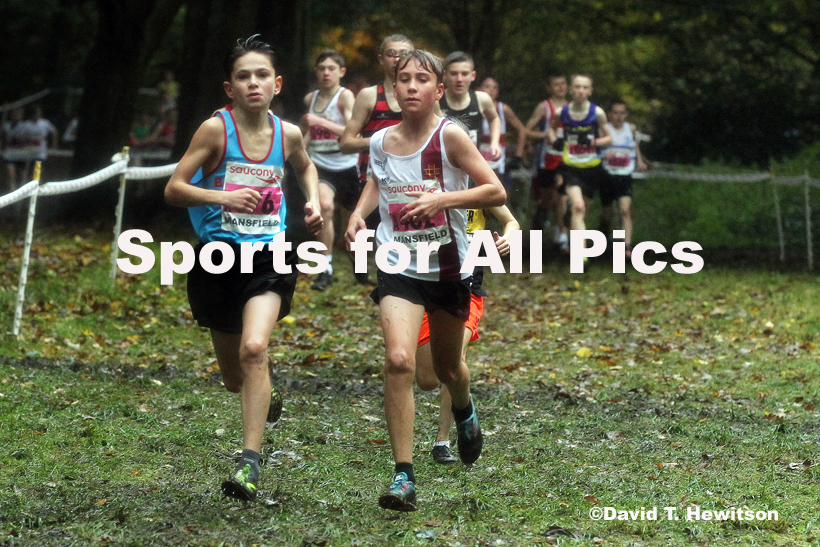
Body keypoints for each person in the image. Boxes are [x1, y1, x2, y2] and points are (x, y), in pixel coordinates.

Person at [345, 50, 506, 512]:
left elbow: (495, 191)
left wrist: (444, 200)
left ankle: (465, 410)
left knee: (446, 370)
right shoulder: (379, 142)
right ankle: (403, 476)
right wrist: (358, 214)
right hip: (398, 265)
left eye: (421, 79)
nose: (411, 86)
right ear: (393, 90)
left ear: (438, 91)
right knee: (398, 361)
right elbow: (379, 181)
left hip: (450, 268)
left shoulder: (450, 136)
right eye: (403, 79)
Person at [164, 35, 322, 502]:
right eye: (242, 76)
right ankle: (263, 393)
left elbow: (306, 166)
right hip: (217, 258)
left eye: (260, 76)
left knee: (255, 348)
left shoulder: (287, 133)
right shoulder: (215, 131)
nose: (252, 83)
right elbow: (174, 188)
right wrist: (223, 197)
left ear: (276, 84)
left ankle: (249, 464)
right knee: (236, 375)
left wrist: (312, 200)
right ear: (229, 87)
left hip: (269, 255)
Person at [415, 204, 519, 464]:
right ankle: (465, 403)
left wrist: (507, 239)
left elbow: (512, 222)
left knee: (452, 362)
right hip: (424, 282)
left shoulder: (477, 183)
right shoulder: (422, 179)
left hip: (466, 287)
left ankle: (444, 440)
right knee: (427, 379)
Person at [339, 34, 414, 283]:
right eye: (393, 53)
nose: (398, 59)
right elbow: (347, 142)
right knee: (364, 226)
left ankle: (397, 272)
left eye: (404, 54)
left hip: (410, 178)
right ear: (381, 59)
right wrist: (379, 141)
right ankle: (361, 274)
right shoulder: (370, 96)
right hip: (371, 175)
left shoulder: (420, 96)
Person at [300, 50, 358, 291]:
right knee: (324, 207)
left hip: (347, 165)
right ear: (316, 71)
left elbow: (353, 132)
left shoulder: (345, 97)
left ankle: (359, 266)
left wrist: (322, 122)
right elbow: (306, 134)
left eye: (331, 68)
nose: (326, 73)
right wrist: (296, 158)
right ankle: (325, 268)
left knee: (352, 221)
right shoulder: (309, 99)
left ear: (341, 72)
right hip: (320, 164)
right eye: (321, 68)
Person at [548, 74, 611, 254]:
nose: (581, 91)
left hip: (592, 168)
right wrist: (555, 142)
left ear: (590, 91)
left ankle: (570, 221)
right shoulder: (562, 113)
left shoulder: (597, 113)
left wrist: (592, 142)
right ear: (571, 89)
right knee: (578, 206)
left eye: (585, 87)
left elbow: (609, 137)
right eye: (577, 87)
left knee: (582, 211)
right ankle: (580, 254)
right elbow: (551, 130)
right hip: (570, 166)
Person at [522, 74, 569, 249]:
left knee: (561, 195)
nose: (560, 88)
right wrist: (544, 135)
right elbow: (527, 130)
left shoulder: (572, 107)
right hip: (545, 159)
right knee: (546, 200)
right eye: (556, 84)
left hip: (565, 159)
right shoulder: (544, 107)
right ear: (550, 88)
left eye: (563, 84)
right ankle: (539, 220)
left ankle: (561, 232)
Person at [599, 100, 648, 258]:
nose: (619, 116)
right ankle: (603, 236)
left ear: (625, 115)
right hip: (607, 175)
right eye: (615, 113)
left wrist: (640, 161)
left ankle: (627, 246)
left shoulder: (631, 129)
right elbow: (596, 149)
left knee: (625, 210)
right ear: (609, 114)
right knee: (607, 212)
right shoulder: (604, 130)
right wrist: (602, 156)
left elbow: (635, 146)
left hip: (625, 175)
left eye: (622, 113)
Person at [438, 52, 501, 163]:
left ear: (473, 76)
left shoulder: (482, 99)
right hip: (443, 163)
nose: (459, 79)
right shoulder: (436, 100)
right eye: (454, 74)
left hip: (472, 164)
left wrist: (495, 143)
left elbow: (494, 119)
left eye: (465, 74)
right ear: (445, 75)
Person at [476, 77, 527, 197]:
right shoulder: (472, 108)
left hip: (498, 160)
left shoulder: (502, 109)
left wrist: (518, 155)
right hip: (477, 159)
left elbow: (521, 130)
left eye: (495, 87)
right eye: (487, 86)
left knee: (500, 197)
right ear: (479, 89)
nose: (491, 90)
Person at [2, 107, 28, 192]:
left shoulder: (25, 125)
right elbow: (4, 139)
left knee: (22, 175)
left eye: (18, 114)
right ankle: (12, 192)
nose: (16, 115)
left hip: (21, 154)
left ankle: (23, 192)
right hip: (10, 153)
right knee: (10, 175)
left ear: (21, 115)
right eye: (14, 114)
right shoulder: (6, 125)